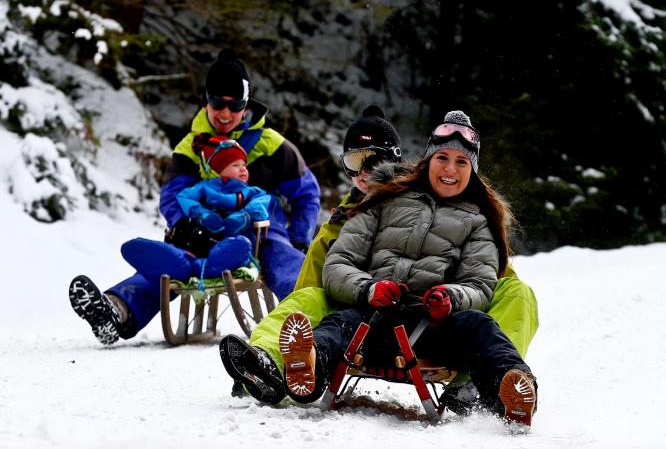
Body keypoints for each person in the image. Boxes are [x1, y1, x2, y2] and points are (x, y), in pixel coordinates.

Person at [219, 109, 539, 424]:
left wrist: (454, 296)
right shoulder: (376, 206)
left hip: (434, 325)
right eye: (353, 163)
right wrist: (366, 288)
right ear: (427, 160)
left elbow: (483, 282)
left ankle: (505, 388)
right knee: (321, 311)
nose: (363, 174)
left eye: (461, 161)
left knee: (499, 309)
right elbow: (324, 279)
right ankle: (275, 364)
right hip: (370, 316)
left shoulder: (477, 220)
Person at [68, 47, 320, 345]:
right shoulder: (192, 146)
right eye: (217, 103)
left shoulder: (271, 144)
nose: (225, 113)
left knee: (285, 262)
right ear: (206, 100)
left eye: (234, 104)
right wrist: (184, 223)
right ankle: (117, 309)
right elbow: (173, 194)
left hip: (262, 230)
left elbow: (306, 194)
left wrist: (301, 235)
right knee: (172, 265)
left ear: (246, 104)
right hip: (208, 231)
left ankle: (308, 320)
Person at [219, 105, 404, 403]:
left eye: (375, 160)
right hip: (345, 295)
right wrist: (303, 304)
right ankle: (264, 362)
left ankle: (303, 367)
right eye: (355, 161)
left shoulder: (412, 204)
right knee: (304, 300)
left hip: (388, 309)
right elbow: (311, 277)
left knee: (338, 323)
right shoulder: (343, 216)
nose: (364, 172)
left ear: (393, 159)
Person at [120, 134, 270, 283]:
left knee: (240, 245)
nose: (243, 169)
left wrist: (245, 217)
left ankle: (204, 267)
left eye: (244, 165)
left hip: (236, 239)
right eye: (235, 165)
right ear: (220, 169)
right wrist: (202, 214)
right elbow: (184, 197)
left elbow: (260, 205)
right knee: (186, 231)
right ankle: (178, 261)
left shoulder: (252, 191)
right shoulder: (207, 186)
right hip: (206, 240)